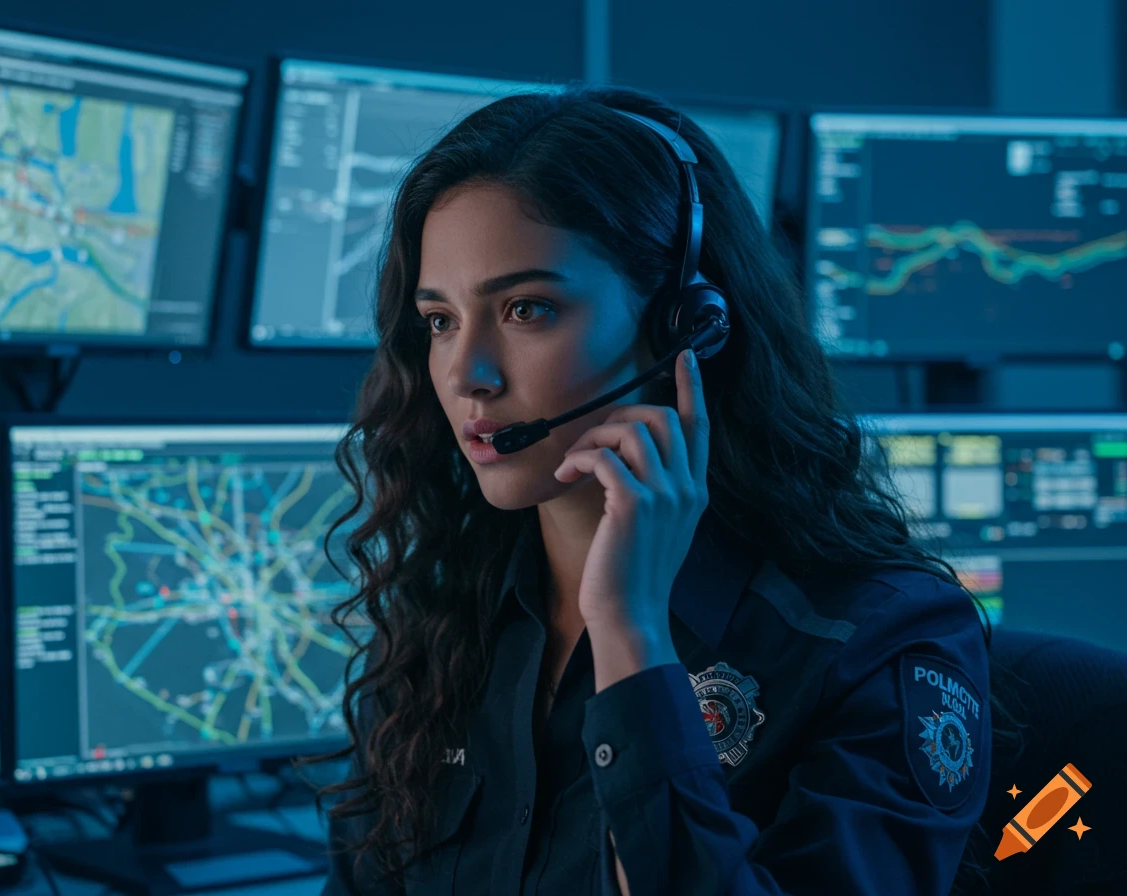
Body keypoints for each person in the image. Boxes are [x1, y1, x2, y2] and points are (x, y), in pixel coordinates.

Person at [294, 82, 997, 895]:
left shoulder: (878, 639)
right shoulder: (451, 613)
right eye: (440, 321)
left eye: (526, 309)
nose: (466, 375)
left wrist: (631, 637)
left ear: (684, 327)